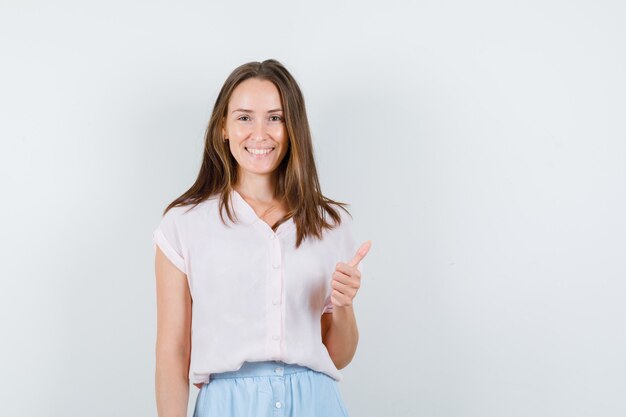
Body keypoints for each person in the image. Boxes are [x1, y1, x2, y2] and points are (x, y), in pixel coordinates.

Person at [152, 59, 371, 417]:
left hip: (316, 402)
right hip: (227, 406)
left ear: (293, 127)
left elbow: (339, 356)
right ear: (223, 127)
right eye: (244, 117)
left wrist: (344, 306)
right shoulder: (184, 224)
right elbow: (173, 352)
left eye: (275, 117)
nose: (260, 133)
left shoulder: (329, 223)